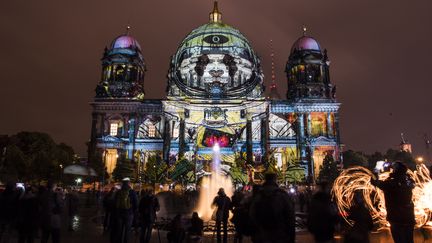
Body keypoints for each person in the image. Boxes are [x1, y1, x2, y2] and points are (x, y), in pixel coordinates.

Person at [372, 161, 415, 243]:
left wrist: (377, 168)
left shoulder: (390, 184)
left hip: (396, 218)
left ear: (395, 171)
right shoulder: (409, 183)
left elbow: (374, 180)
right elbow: (409, 179)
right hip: (409, 218)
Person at [249, 173, 295, 243]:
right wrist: (291, 235)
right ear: (275, 180)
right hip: (280, 233)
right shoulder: (282, 194)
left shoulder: (258, 195)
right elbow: (290, 215)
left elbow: (252, 213)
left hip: (263, 233)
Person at [112, 178, 138, 243]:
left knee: (119, 230)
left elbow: (114, 203)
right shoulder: (132, 192)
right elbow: (136, 204)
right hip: (129, 213)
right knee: (127, 231)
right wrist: (134, 212)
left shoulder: (118, 192)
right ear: (129, 183)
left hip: (119, 213)